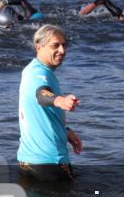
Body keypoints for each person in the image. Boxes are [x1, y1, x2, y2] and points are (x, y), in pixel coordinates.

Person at [17, 25, 82, 182]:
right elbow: (42, 94)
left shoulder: (31, 69)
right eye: (55, 45)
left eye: (64, 45)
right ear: (38, 46)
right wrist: (60, 100)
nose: (62, 50)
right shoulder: (40, 74)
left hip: (27, 161)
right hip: (50, 163)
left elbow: (38, 110)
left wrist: (65, 131)